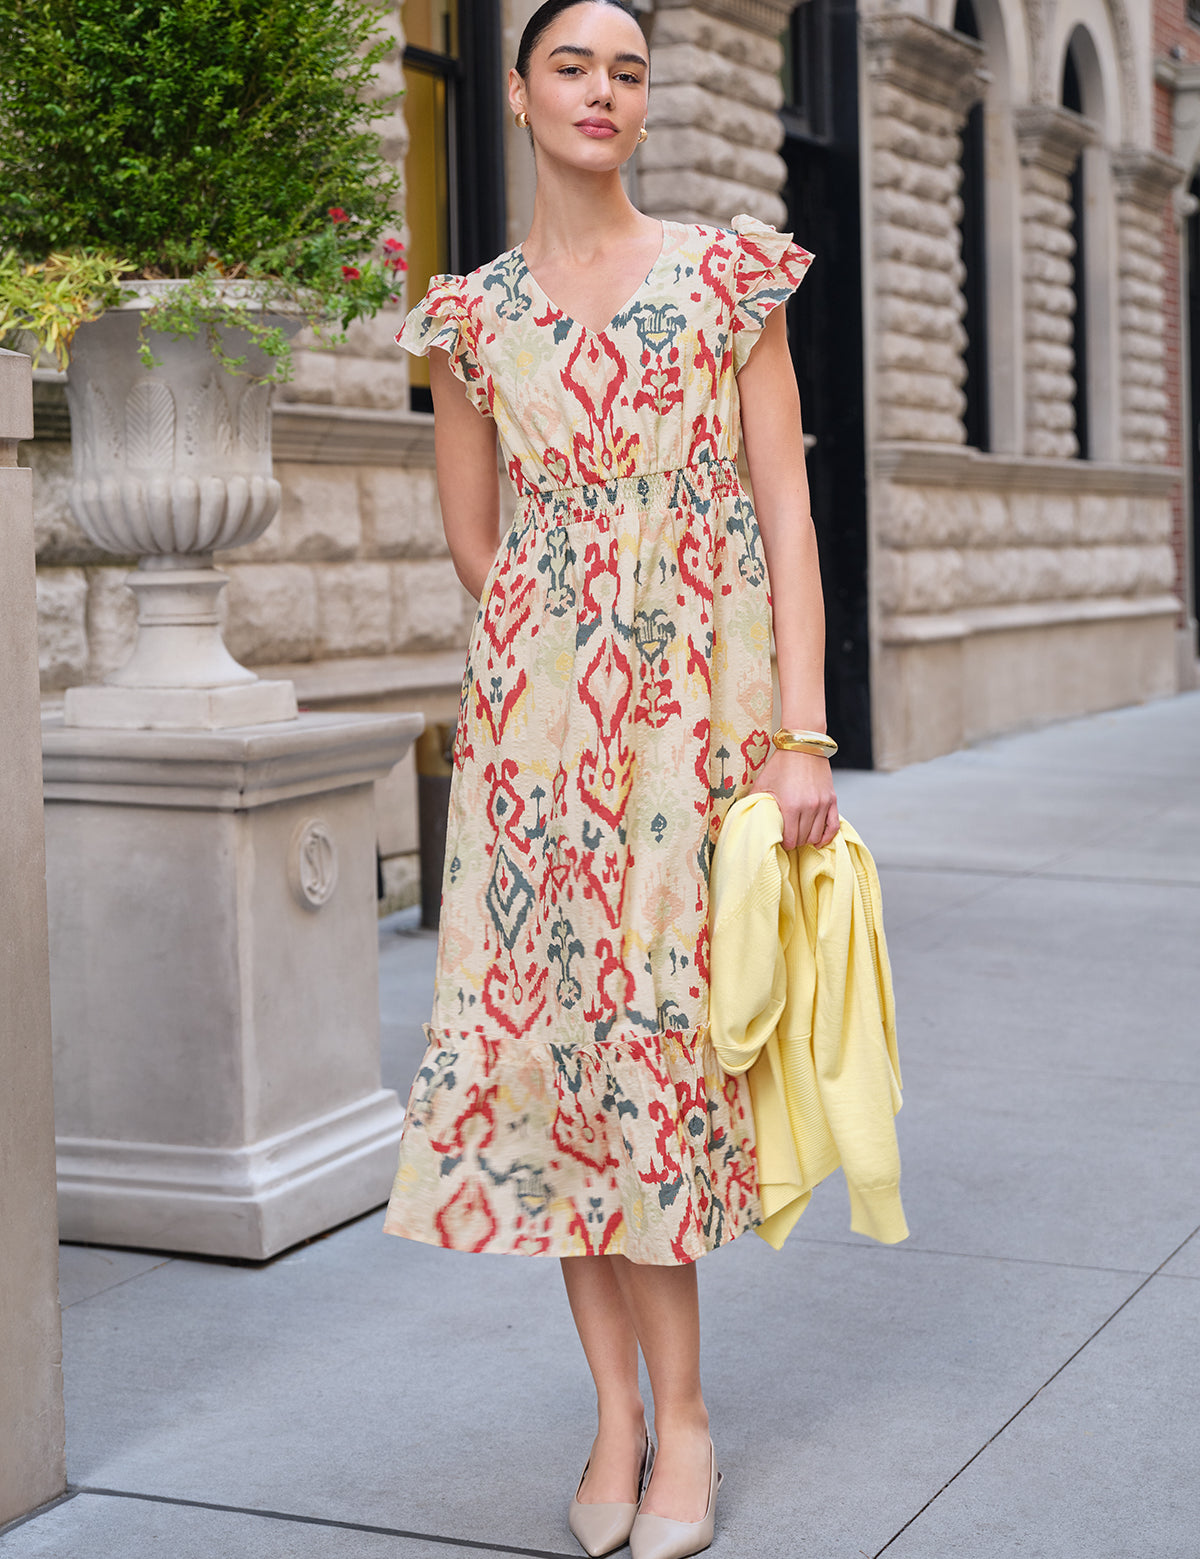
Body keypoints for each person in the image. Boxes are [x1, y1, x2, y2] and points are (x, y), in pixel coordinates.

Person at [384, 3, 838, 1554]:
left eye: (628, 72)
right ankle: (614, 1416)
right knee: (567, 1071)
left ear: (646, 108)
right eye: (572, 65)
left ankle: (690, 1421)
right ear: (516, 97)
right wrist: (549, 655)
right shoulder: (468, 319)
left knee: (659, 1065)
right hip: (536, 749)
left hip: (695, 738)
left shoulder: (727, 277)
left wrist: (798, 735)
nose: (602, 91)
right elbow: (474, 540)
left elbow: (784, 507)